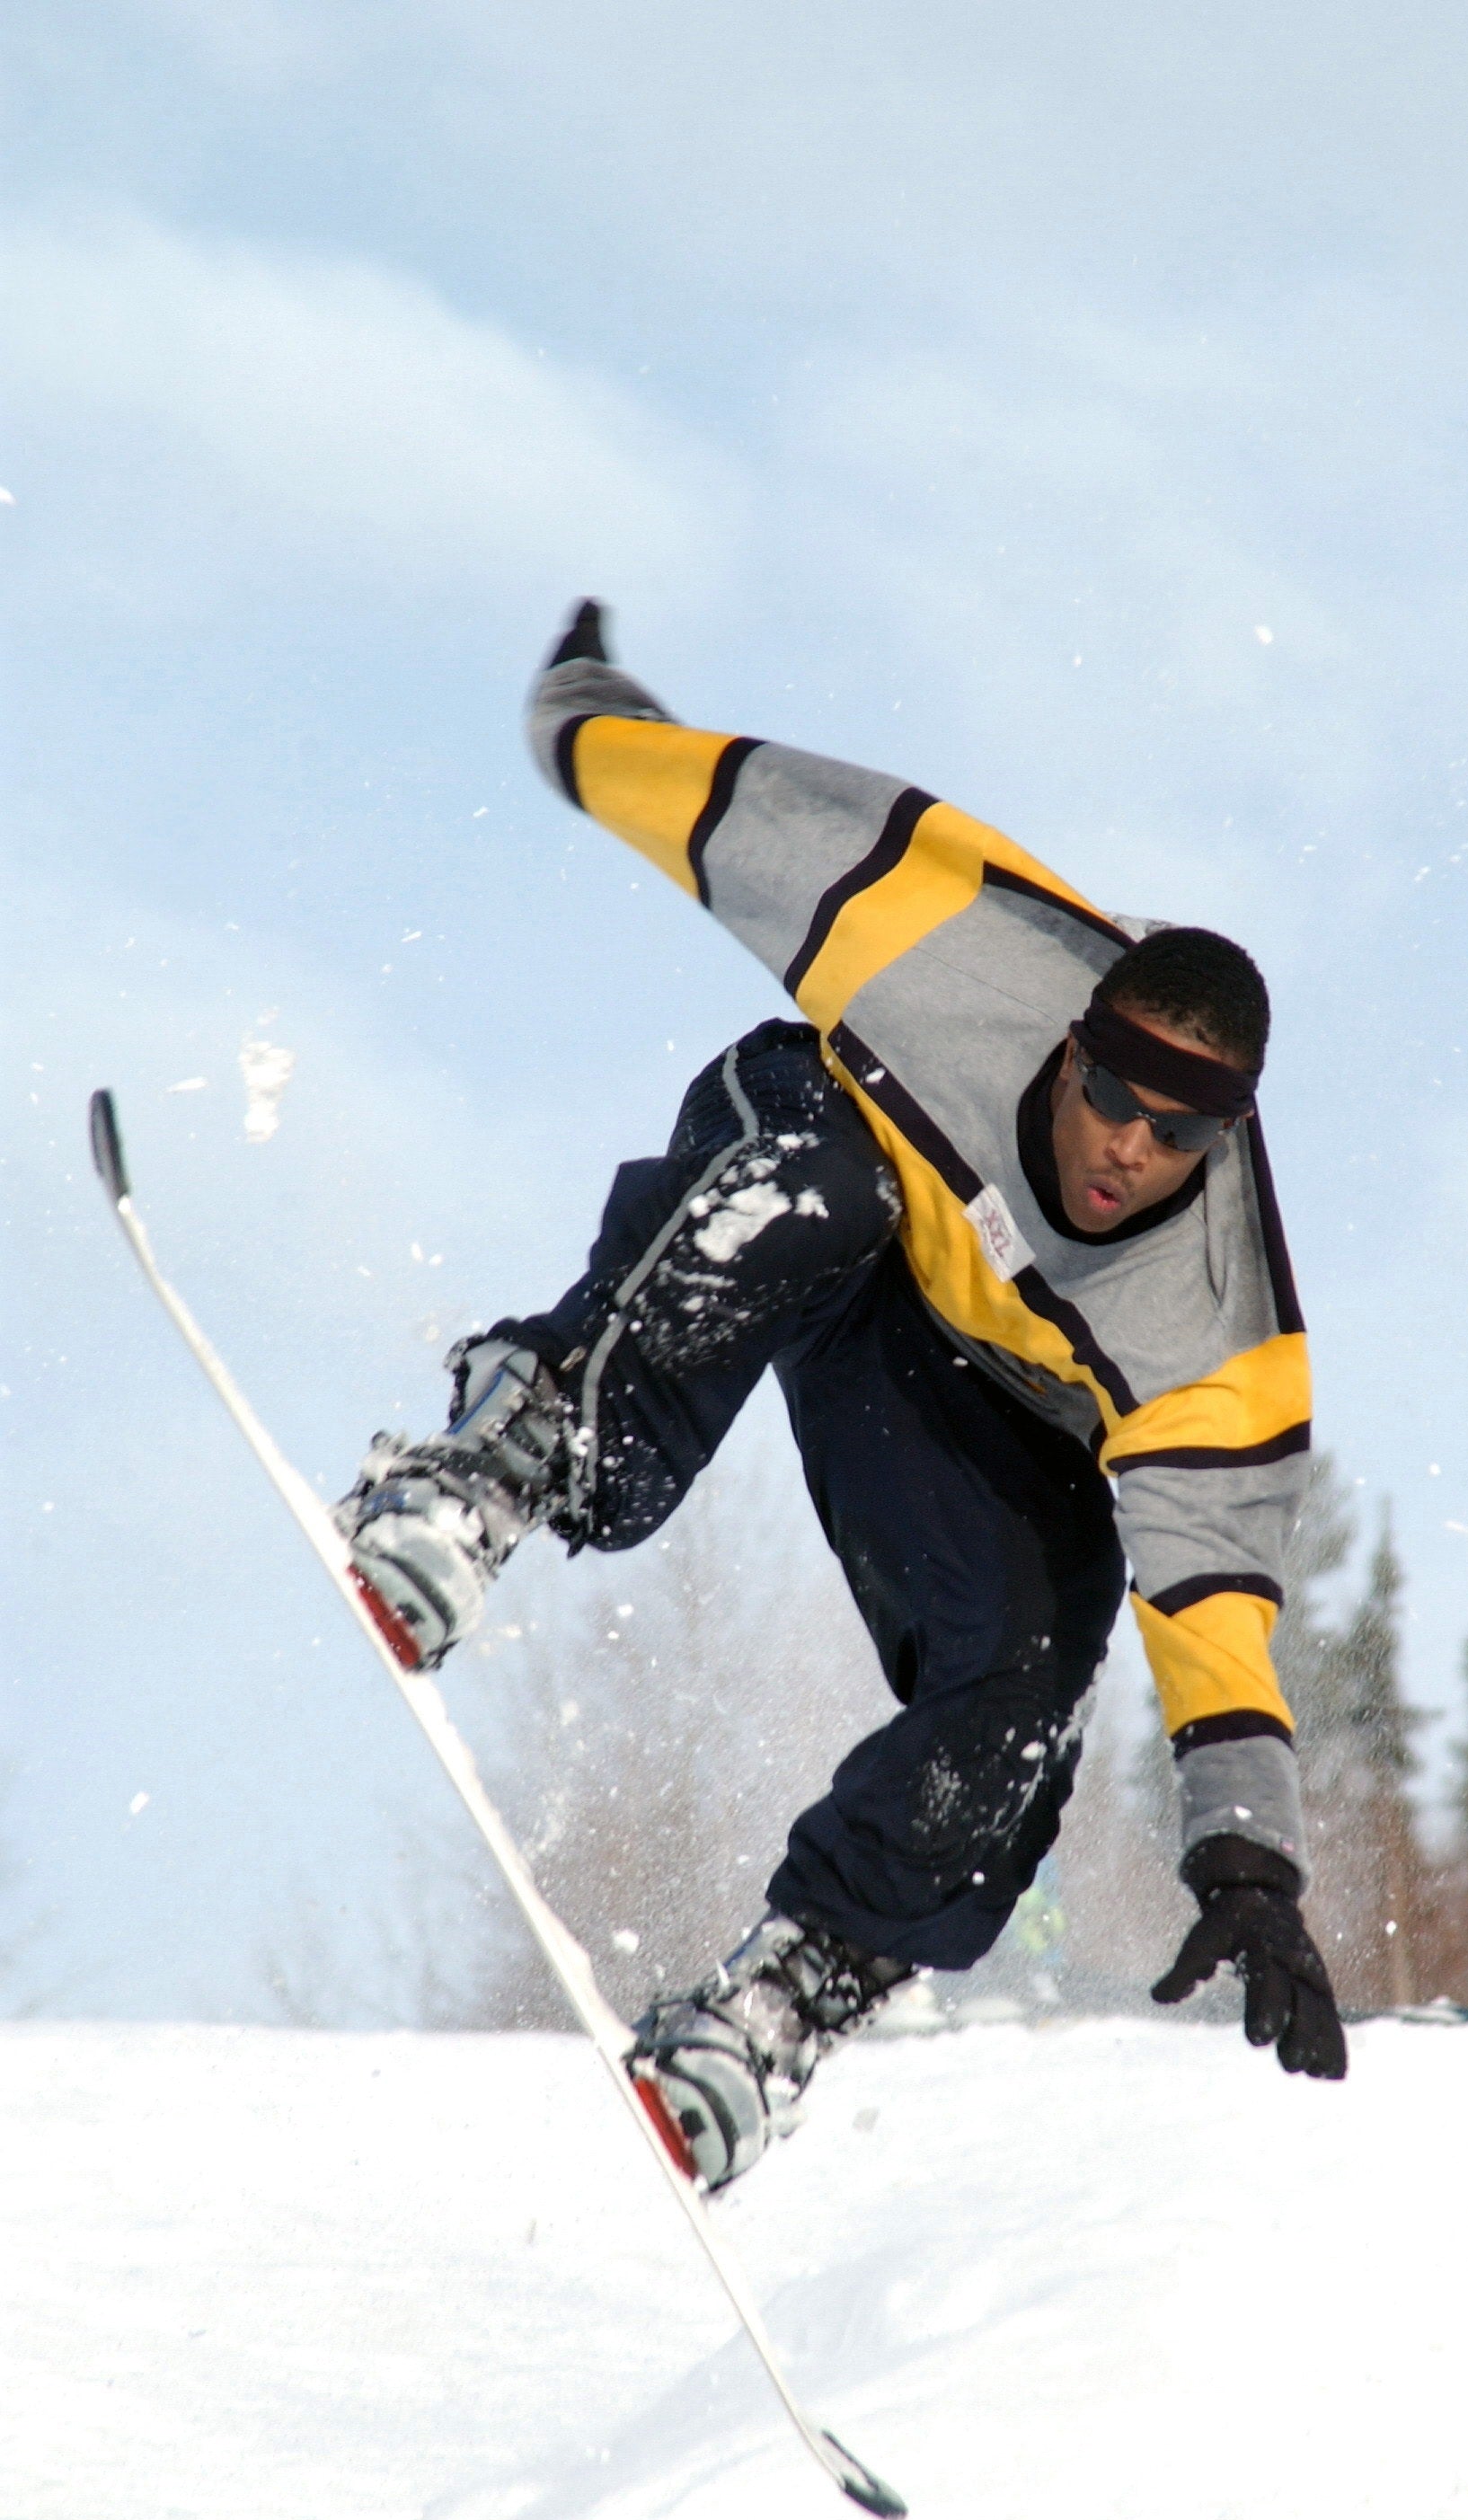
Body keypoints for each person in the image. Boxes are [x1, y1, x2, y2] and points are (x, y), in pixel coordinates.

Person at [334, 599, 1348, 2188]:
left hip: (969, 1403)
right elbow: (713, 801)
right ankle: (519, 1458)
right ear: (1072, 1042)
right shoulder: (949, 924)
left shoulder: (1219, 1332)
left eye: (1174, 1135)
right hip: (827, 1183)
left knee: (1034, 1667)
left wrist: (1251, 1849)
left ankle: (792, 1990)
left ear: (1217, 1145)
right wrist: (581, 709)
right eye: (1108, 1095)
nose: (1122, 1149)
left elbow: (1215, 1603)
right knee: (814, 1165)